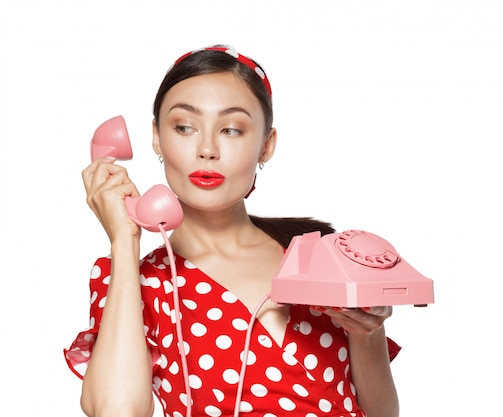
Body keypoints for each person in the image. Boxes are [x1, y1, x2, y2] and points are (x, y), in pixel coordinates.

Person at [64, 44, 401, 417]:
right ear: (157, 138)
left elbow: (381, 413)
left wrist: (367, 331)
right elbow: (117, 412)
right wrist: (124, 242)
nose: (207, 149)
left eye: (231, 129)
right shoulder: (141, 283)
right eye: (185, 127)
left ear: (266, 146)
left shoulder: (322, 254)